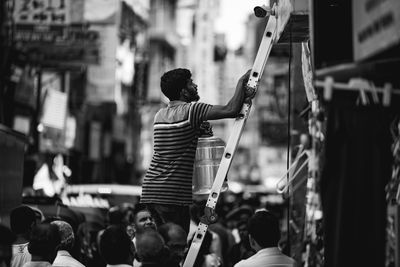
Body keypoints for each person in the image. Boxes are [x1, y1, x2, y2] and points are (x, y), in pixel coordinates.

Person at [140, 68, 251, 235]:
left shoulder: (159, 115)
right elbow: (231, 109)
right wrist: (241, 82)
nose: (196, 85)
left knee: (163, 245)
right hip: (172, 194)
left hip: (151, 190)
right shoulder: (192, 111)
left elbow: (180, 141)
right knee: (177, 245)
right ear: (184, 91)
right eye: (191, 83)